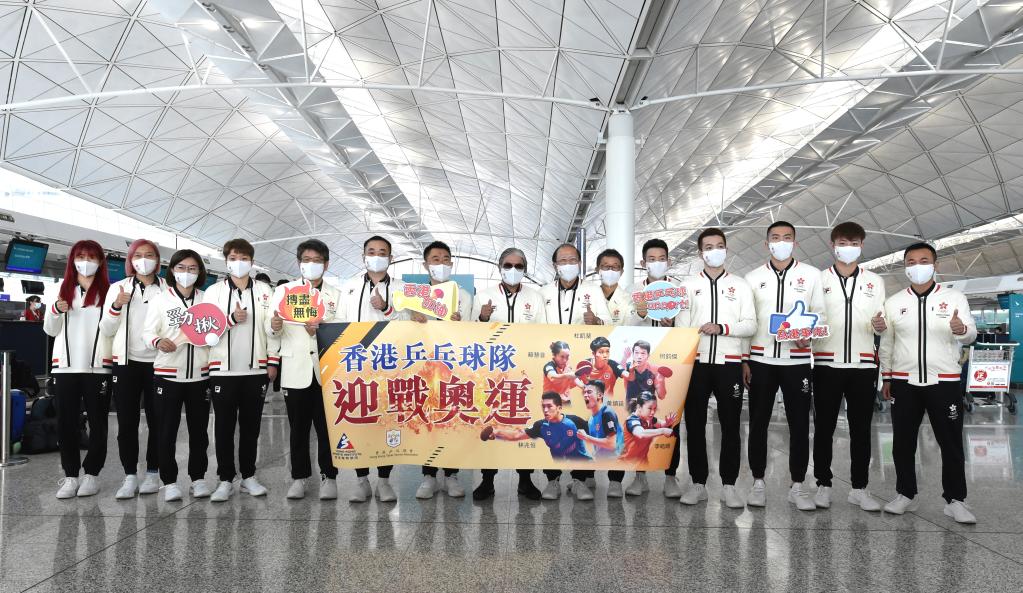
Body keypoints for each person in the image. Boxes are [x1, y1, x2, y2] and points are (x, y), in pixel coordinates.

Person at [879, 242, 978, 524]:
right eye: (911, 262)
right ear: (905, 267)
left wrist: (962, 330)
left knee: (951, 442)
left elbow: (970, 334)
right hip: (904, 381)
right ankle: (906, 494)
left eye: (924, 261)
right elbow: (887, 343)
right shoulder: (894, 302)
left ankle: (955, 500)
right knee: (902, 442)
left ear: (935, 265)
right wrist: (887, 376)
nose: (917, 266)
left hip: (944, 381)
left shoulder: (954, 297)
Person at [743, 220, 824, 511]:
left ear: (795, 242)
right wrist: (744, 359)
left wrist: (809, 335)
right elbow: (748, 321)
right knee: (758, 423)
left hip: (797, 361)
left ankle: (798, 484)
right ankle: (758, 482)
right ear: (766, 244)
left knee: (800, 424)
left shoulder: (811, 276)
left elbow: (820, 314)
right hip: (760, 360)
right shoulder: (752, 278)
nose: (781, 242)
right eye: (775, 237)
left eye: (787, 237)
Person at [678, 228, 756, 509]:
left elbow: (750, 325)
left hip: (729, 364)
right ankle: (698, 483)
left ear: (726, 249)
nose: (715, 251)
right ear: (700, 253)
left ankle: (729, 485)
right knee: (695, 424)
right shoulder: (687, 286)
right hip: (696, 364)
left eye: (719, 245)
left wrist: (722, 328)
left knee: (731, 425)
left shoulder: (740, 285)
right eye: (708, 247)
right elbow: (682, 326)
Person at [811, 222, 886, 512]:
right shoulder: (819, 280)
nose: (848, 248)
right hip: (826, 363)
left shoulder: (874, 282)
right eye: (843, 243)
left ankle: (859, 488)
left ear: (862, 246)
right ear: (833, 245)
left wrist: (880, 324)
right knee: (824, 428)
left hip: (863, 364)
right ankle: (823, 484)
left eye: (854, 243)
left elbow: (882, 321)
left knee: (861, 429)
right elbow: (809, 319)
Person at [203, 239, 278, 502]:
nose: (239, 262)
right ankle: (225, 478)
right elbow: (205, 331)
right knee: (223, 427)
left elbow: (271, 328)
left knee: (251, 427)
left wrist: (272, 360)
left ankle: (248, 475)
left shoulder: (265, 291)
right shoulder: (213, 292)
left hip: (255, 369)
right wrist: (230, 320)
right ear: (226, 261)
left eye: (244, 258)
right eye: (233, 258)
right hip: (222, 370)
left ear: (252, 262)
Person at [269, 239, 342, 501]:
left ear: (326, 264)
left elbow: (343, 330)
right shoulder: (285, 291)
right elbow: (271, 328)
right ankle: (299, 477)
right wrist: (274, 327)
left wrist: (321, 331)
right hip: (295, 369)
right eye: (307, 260)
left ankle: (329, 476)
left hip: (326, 370)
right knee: (298, 428)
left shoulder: (335, 295)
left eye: (317, 261)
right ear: (299, 263)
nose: (312, 265)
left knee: (327, 428)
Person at [471, 247, 545, 501]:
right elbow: (468, 333)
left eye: (519, 266)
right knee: (490, 422)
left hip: (525, 373)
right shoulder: (484, 296)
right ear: (499, 267)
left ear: (525, 269)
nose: (513, 270)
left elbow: (545, 332)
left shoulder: (535, 297)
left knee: (524, 424)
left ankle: (525, 479)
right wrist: (482, 318)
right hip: (492, 373)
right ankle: (487, 480)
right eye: (508, 265)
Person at [538, 243, 609, 500]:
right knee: (552, 426)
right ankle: (552, 480)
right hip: (553, 375)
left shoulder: (593, 291)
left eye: (572, 260)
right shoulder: (543, 293)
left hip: (581, 369)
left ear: (580, 263)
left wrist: (597, 322)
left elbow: (610, 324)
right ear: (554, 265)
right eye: (562, 261)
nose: (567, 265)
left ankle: (580, 480)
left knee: (580, 424)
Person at [44, 240, 113, 499]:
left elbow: (113, 328)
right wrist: (55, 309)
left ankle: (92, 474)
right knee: (66, 422)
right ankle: (71, 475)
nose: (86, 262)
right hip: (66, 367)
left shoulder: (109, 292)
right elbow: (50, 330)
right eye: (81, 256)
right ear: (72, 260)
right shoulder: (61, 290)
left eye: (92, 257)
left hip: (98, 367)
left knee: (98, 422)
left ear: (100, 261)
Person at [142, 250, 213, 502]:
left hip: (200, 377)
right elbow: (147, 332)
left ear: (199, 272)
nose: (186, 273)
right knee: (166, 431)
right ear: (172, 270)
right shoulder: (161, 300)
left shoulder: (206, 299)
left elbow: (216, 329)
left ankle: (198, 478)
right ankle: (169, 482)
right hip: (167, 375)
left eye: (192, 268)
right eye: (181, 267)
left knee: (199, 432)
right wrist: (157, 341)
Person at [340, 235, 406, 503]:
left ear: (390, 258)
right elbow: (338, 321)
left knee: (387, 423)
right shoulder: (349, 287)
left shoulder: (402, 288)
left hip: (389, 364)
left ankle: (384, 480)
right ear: (363, 256)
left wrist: (387, 308)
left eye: (382, 252)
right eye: (371, 251)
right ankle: (361, 480)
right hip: (355, 365)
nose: (376, 256)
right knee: (359, 422)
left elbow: (409, 322)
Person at [100, 238, 167, 499]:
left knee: (157, 420)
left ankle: (153, 472)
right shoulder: (118, 288)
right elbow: (106, 329)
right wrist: (116, 306)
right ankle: (129, 475)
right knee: (127, 421)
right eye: (138, 255)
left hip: (159, 363)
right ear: (130, 260)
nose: (143, 260)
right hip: (126, 363)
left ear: (157, 260)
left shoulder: (167, 289)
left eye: (149, 254)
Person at [409, 240, 471, 500]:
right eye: (435, 259)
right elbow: (402, 331)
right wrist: (414, 320)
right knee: (426, 421)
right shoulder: (416, 296)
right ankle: (428, 476)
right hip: (422, 368)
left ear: (451, 264)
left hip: (453, 369)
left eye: (445, 259)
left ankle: (451, 474)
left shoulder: (463, 296)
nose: (441, 264)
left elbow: (472, 333)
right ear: (426, 264)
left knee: (451, 420)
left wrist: (459, 323)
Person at [620, 339, 671, 496]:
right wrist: (624, 358)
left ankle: (641, 479)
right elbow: (621, 373)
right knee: (630, 444)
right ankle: (638, 479)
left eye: (643, 353)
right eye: (636, 352)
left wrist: (661, 381)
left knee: (641, 443)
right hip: (631, 410)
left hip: (647, 412)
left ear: (648, 355)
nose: (639, 356)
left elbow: (661, 395)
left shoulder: (654, 370)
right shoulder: (628, 367)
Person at [480, 392, 591, 461]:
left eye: (549, 406)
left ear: (559, 408)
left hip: (583, 463)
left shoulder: (574, 421)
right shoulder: (541, 426)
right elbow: (516, 435)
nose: (545, 410)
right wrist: (496, 432)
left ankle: (587, 478)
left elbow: (595, 432)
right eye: (543, 406)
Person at [619, 392, 676, 465]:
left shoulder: (649, 419)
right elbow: (641, 434)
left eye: (654, 408)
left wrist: (667, 423)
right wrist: (662, 431)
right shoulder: (632, 420)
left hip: (642, 463)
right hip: (627, 463)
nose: (653, 412)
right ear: (639, 407)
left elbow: (661, 424)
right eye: (650, 408)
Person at [576, 380, 623, 461]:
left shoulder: (607, 413)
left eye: (589, 392)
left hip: (614, 462)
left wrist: (586, 437)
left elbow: (611, 444)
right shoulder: (591, 419)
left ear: (600, 395)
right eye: (584, 392)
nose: (585, 395)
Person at [589, 248, 632, 326]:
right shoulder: (588, 297)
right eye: (606, 266)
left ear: (621, 272)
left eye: (615, 267)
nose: (610, 270)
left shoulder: (629, 300)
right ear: (597, 270)